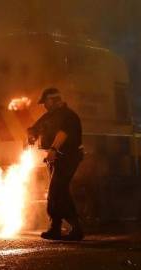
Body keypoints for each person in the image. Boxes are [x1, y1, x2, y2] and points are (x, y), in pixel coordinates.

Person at [27, 87, 84, 241]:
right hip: (56, 159)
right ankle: (56, 228)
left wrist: (53, 149)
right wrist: (32, 134)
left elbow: (63, 133)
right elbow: (36, 127)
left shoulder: (68, 116)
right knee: (58, 192)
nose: (44, 105)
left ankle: (75, 228)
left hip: (68, 157)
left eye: (45, 102)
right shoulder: (49, 116)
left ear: (52, 100)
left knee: (57, 191)